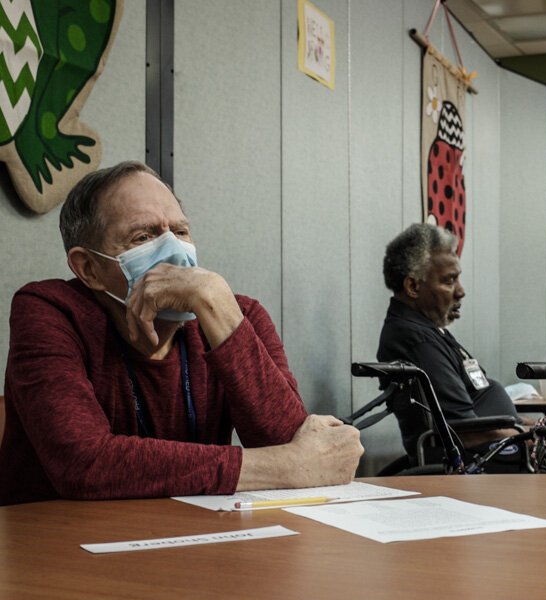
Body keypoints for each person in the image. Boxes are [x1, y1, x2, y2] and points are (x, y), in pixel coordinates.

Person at [0, 162, 363, 506]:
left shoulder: (235, 313)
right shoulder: (49, 310)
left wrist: (217, 306)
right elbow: (83, 464)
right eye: (143, 236)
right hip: (61, 550)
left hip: (196, 542)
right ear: (89, 268)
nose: (173, 250)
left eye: (180, 231)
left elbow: (290, 442)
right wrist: (283, 467)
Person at [377, 223, 546, 469]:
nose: (461, 291)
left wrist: (541, 429)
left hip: (497, 454)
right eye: (449, 281)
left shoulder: (428, 331)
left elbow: (485, 413)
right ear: (413, 287)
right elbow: (465, 432)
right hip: (478, 466)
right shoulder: (416, 340)